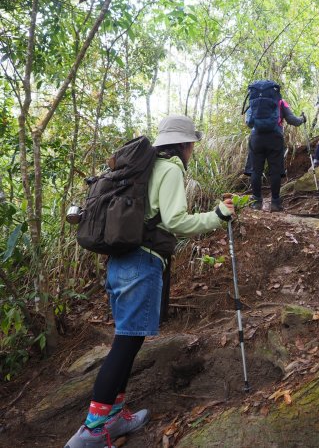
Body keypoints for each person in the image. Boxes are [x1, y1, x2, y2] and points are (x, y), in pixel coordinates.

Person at [65, 115, 235, 448]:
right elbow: (175, 221)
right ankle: (92, 430)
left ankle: (113, 416)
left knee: (128, 341)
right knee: (126, 343)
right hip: (141, 263)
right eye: (192, 146)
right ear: (185, 145)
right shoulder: (170, 168)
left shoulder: (140, 169)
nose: (191, 152)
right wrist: (217, 216)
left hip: (118, 263)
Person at [246, 87, 305, 212]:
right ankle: (275, 203)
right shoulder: (280, 102)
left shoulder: (253, 101)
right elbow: (292, 120)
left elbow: (249, 123)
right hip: (275, 138)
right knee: (275, 171)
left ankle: (256, 203)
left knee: (256, 171)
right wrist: (302, 119)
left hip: (256, 138)